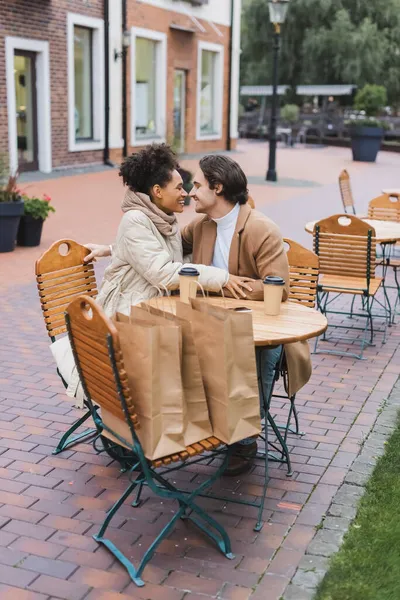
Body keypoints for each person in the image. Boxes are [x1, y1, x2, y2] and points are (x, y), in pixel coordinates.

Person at [86, 153, 312, 475]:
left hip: (257, 325)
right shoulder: (201, 227)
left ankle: (245, 436)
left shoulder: (262, 229)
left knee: (259, 350)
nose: (190, 192)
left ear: (217, 188)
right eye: (185, 186)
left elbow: (281, 289)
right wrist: (113, 247)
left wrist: (233, 288)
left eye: (198, 185)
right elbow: (155, 248)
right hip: (209, 321)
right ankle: (205, 420)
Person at [94, 144, 255, 318]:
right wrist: (222, 278)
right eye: (179, 187)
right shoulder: (135, 219)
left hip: (155, 309)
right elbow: (163, 273)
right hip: (126, 314)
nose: (185, 193)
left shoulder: (163, 218)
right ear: (158, 191)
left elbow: (171, 257)